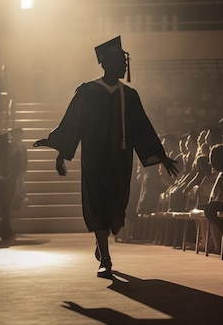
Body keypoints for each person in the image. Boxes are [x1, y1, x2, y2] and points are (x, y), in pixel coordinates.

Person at [33, 36, 178, 278]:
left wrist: (160, 155)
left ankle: (101, 244)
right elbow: (73, 122)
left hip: (121, 160)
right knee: (97, 203)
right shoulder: (88, 91)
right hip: (95, 159)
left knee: (116, 209)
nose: (124, 66)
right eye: (119, 61)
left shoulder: (130, 95)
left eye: (124, 61)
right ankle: (106, 258)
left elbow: (143, 127)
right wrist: (60, 151)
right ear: (104, 63)